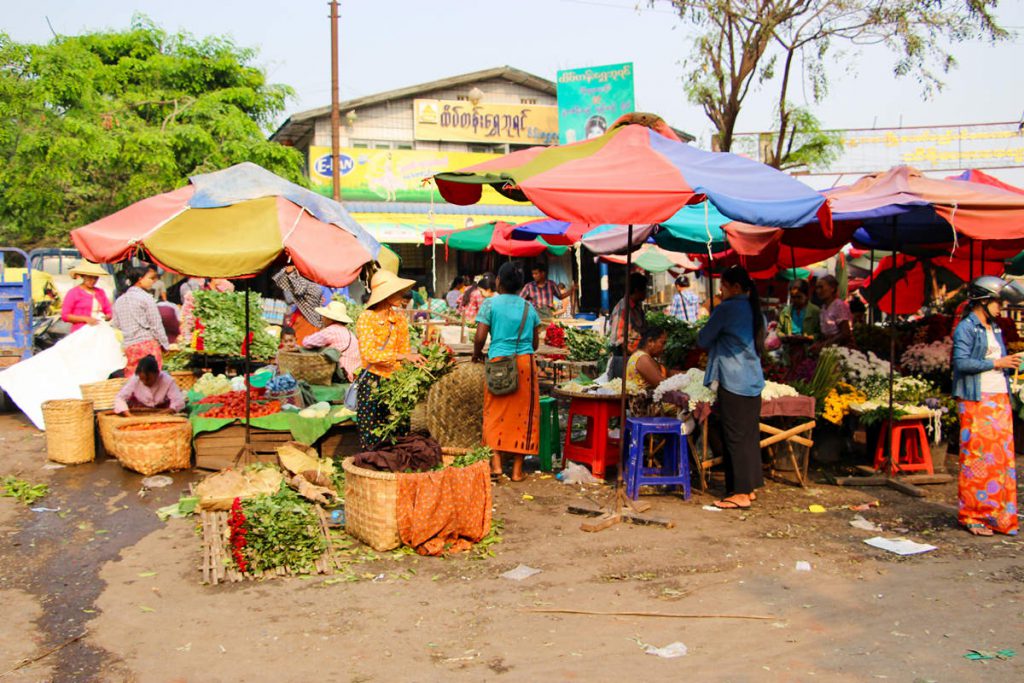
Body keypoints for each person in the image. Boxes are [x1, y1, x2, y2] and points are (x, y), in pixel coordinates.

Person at [951, 276, 1024, 536]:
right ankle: (973, 515)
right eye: (997, 302)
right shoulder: (966, 328)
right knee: (978, 460)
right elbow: (962, 363)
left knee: (1001, 461)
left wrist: (1011, 363)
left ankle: (998, 515)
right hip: (977, 399)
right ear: (982, 300)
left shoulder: (994, 328)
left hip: (999, 398)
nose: (1000, 307)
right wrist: (998, 363)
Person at [697, 266, 766, 511]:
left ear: (735, 287)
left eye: (723, 286)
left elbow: (703, 339)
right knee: (748, 435)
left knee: (734, 438)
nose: (721, 291)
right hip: (753, 380)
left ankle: (740, 493)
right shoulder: (755, 309)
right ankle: (750, 487)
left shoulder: (727, 309)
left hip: (733, 381)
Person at [473, 262, 542, 482]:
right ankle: (517, 471)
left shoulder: (489, 305)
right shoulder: (528, 308)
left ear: (498, 282)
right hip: (525, 365)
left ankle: (496, 466)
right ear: (521, 285)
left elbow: (480, 337)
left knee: (494, 413)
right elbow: (535, 342)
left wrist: (476, 354)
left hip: (498, 364)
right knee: (525, 416)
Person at [355, 269, 424, 450]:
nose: (401, 296)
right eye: (395, 292)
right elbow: (369, 354)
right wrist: (401, 357)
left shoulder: (400, 320)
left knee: (398, 432)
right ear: (385, 295)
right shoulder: (366, 318)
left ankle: (394, 473)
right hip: (372, 380)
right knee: (371, 434)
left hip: (396, 382)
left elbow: (406, 351)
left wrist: (416, 364)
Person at [112, 264, 170, 377]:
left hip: (130, 347)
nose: (153, 281)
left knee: (133, 382)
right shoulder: (146, 298)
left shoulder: (120, 300)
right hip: (147, 346)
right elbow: (156, 324)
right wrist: (165, 344)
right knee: (151, 382)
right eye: (150, 278)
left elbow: (117, 324)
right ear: (139, 279)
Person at [301, 301, 362, 381]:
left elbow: (306, 342)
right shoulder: (348, 332)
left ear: (330, 319)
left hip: (343, 375)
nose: (322, 318)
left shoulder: (331, 331)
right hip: (354, 374)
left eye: (324, 316)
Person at [113, 355, 185, 416]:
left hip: (163, 411)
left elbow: (178, 401)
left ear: (157, 373)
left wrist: (159, 415)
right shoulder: (135, 379)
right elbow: (120, 398)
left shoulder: (167, 380)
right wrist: (130, 417)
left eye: (148, 379)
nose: (145, 382)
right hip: (139, 411)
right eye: (142, 379)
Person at [607, 272, 649, 378]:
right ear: (636, 290)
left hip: (636, 357)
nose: (646, 293)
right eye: (644, 290)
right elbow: (619, 340)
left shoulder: (638, 308)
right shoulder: (623, 309)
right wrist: (637, 357)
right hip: (624, 359)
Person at [625, 327, 671, 416]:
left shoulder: (644, 357)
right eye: (662, 343)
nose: (664, 348)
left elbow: (668, 372)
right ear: (650, 341)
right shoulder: (642, 358)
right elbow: (662, 384)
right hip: (646, 409)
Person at [273, 265, 324, 344]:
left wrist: (290, 274)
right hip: (303, 317)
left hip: (307, 320)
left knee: (304, 344)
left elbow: (299, 290)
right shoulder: (314, 285)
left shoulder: (311, 286)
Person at [61, 261, 112, 333]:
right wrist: (85, 319)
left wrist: (107, 316)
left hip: (99, 330)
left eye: (95, 278)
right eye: (90, 277)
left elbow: (108, 310)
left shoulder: (100, 292)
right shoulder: (74, 292)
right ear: (83, 276)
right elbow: (65, 316)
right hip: (80, 332)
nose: (93, 280)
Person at [814, 275, 853, 348]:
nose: (818, 291)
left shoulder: (839, 305)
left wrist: (825, 344)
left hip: (840, 348)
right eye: (817, 288)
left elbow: (845, 333)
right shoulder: (823, 308)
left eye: (821, 287)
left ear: (832, 288)